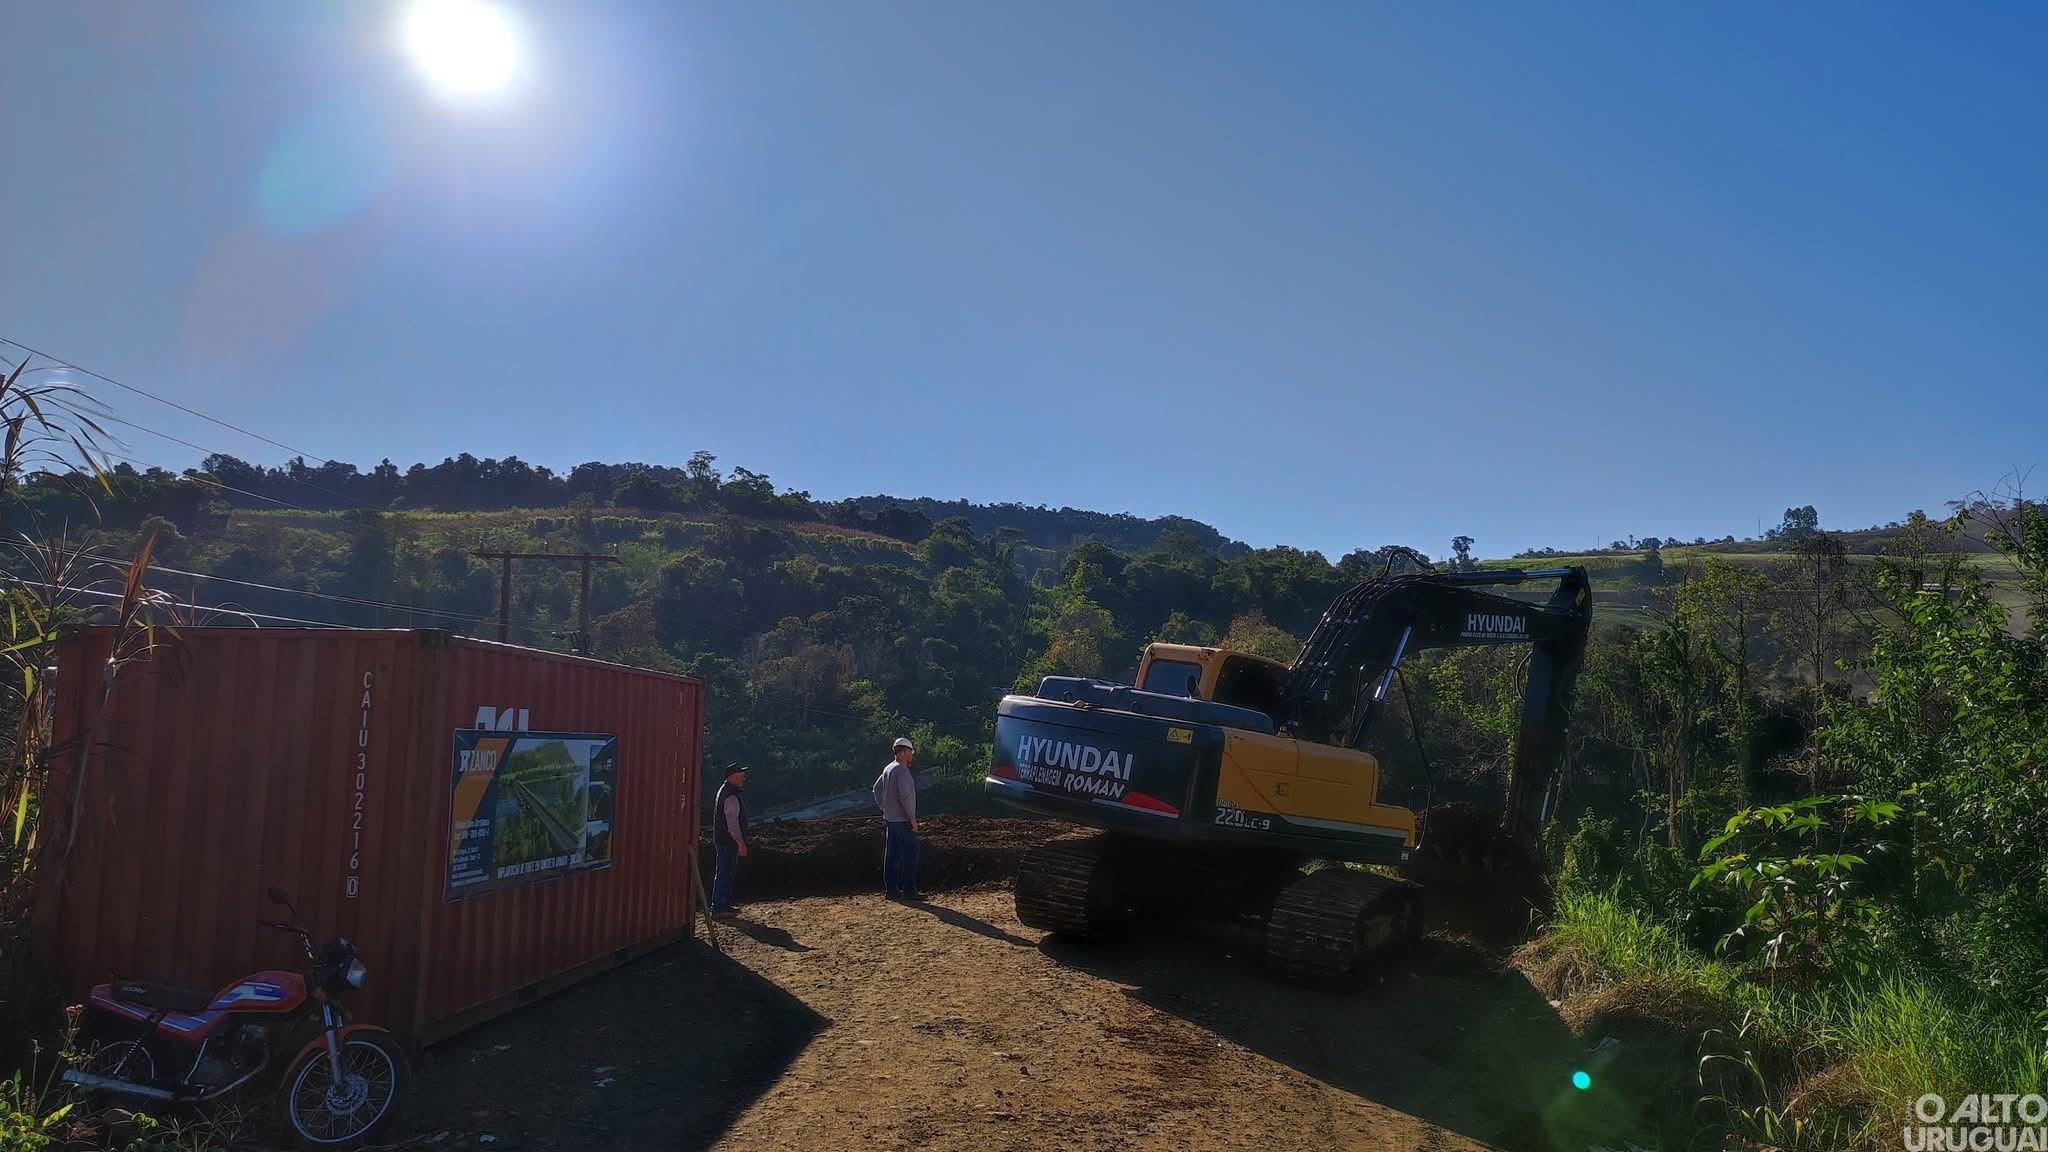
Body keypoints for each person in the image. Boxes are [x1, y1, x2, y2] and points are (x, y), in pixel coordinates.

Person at [872, 736, 922, 901]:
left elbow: (876, 789)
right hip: (902, 820)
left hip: (890, 819)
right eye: (911, 753)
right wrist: (912, 819)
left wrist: (885, 807)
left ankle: (892, 890)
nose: (911, 756)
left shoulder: (888, 768)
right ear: (905, 752)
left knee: (892, 854)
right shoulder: (902, 770)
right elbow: (905, 797)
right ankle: (909, 890)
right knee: (911, 851)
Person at [710, 762, 749, 918]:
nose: (744, 777)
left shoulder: (726, 791)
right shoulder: (731, 795)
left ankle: (723, 904)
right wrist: (740, 843)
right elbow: (732, 822)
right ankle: (719, 908)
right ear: (733, 776)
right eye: (741, 774)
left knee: (726, 873)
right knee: (724, 873)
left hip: (724, 840)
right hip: (728, 841)